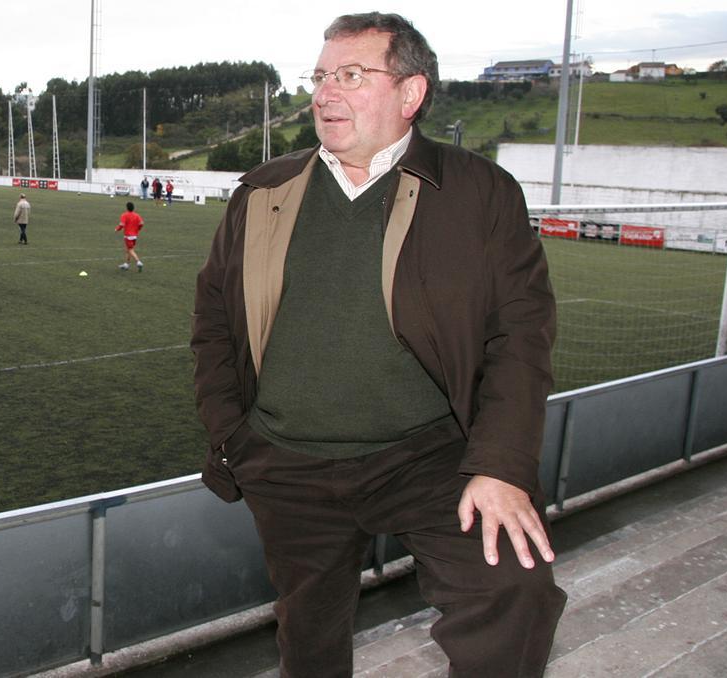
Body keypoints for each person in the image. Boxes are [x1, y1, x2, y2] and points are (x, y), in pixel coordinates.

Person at [190, 12, 565, 677]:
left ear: (410, 93)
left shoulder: (479, 193)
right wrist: (233, 436)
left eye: (352, 75)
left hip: (431, 457)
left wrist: (501, 464)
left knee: (515, 593)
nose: (324, 93)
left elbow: (521, 337)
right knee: (307, 639)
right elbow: (214, 323)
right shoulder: (262, 193)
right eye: (321, 76)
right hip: (288, 464)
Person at [116, 201, 144, 272]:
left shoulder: (124, 215)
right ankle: (126, 264)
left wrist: (117, 229)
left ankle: (138, 262)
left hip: (128, 236)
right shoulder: (137, 215)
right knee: (128, 250)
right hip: (134, 236)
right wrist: (138, 229)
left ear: (127, 208)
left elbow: (121, 225)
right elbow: (141, 223)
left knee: (130, 250)